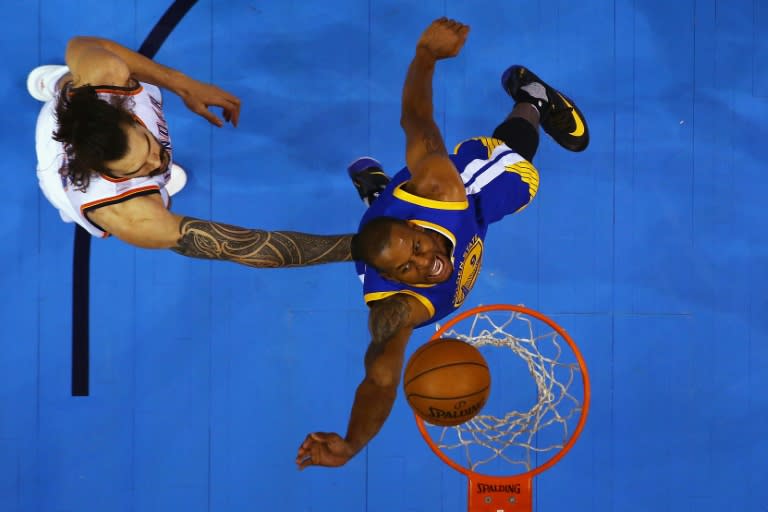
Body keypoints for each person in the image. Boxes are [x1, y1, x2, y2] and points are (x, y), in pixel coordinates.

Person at [296, 17, 589, 469]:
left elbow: (415, 119)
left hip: (467, 195)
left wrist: (426, 56)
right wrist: (353, 442)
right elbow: (380, 378)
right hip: (388, 228)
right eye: (408, 271)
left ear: (416, 228)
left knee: (516, 177)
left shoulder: (441, 191)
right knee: (377, 236)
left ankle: (532, 97)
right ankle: (377, 192)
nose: (426, 265)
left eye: (417, 248)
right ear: (393, 281)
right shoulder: (394, 305)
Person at [30, 36, 352, 267]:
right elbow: (244, 247)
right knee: (72, 204)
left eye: (149, 147)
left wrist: (184, 85)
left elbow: (79, 44)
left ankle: (56, 82)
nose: (157, 160)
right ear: (114, 175)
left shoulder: (107, 78)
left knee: (76, 82)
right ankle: (67, 202)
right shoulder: (127, 214)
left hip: (78, 110)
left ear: (127, 115)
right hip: (56, 172)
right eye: (139, 168)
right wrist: (355, 248)